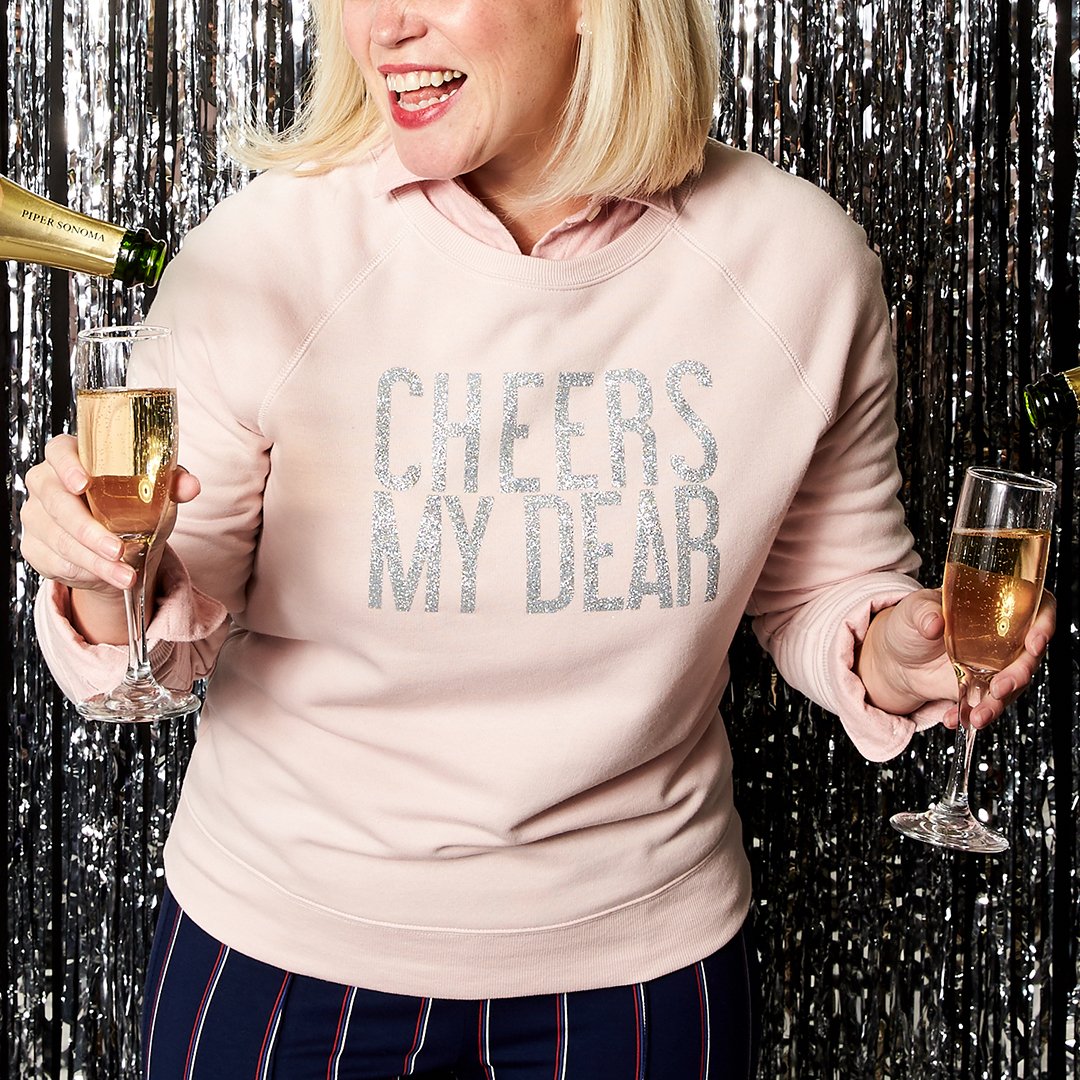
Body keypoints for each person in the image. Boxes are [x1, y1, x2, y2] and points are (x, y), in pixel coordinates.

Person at [20, 0, 1056, 1077]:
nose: (387, 27)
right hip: (285, 950)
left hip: (644, 971)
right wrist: (100, 570)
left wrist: (895, 653)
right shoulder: (256, 254)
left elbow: (819, 588)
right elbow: (161, 648)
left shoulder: (799, 261)